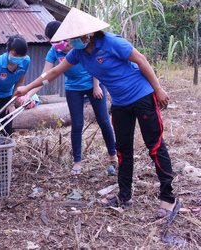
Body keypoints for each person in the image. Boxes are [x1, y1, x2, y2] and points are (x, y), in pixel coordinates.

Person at [15, 8, 180, 220]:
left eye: (71, 39)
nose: (68, 44)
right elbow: (54, 72)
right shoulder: (77, 53)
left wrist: (158, 89)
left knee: (154, 146)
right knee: (122, 149)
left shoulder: (113, 43)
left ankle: (168, 197)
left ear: (87, 35)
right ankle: (124, 195)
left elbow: (141, 60)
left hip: (142, 97)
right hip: (120, 103)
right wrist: (27, 88)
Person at [18, 21, 117, 175]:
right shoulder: (54, 52)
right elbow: (45, 76)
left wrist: (96, 85)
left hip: (93, 83)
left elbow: (97, 63)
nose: (62, 46)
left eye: (62, 42)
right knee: (77, 124)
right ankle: (77, 161)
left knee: (103, 120)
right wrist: (28, 94)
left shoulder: (79, 45)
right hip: (73, 88)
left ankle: (113, 156)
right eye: (55, 43)